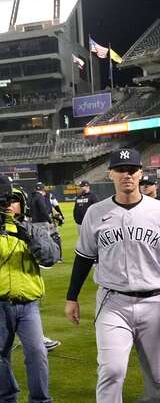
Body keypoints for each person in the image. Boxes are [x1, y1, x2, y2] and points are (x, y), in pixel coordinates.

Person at [66, 148, 160, 403]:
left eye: (132, 170)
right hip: (113, 302)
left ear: (141, 173)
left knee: (159, 376)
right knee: (111, 370)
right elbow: (84, 256)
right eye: (121, 170)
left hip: (155, 302)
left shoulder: (158, 211)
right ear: (110, 174)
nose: (126, 175)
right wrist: (71, 297)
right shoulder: (96, 212)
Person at [0, 175, 58, 403]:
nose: (8, 205)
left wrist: (28, 238)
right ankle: (7, 399)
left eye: (13, 200)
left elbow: (51, 257)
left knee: (37, 352)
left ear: (22, 204)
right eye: (2, 201)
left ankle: (40, 400)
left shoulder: (33, 229)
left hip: (28, 304)